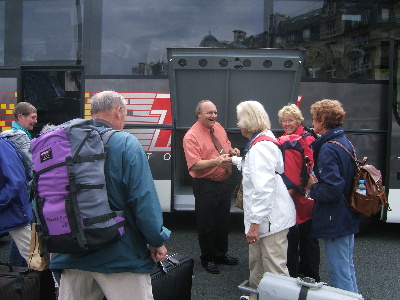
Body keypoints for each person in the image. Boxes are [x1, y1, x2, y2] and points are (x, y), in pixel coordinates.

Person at [50, 91, 171, 300]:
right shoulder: (126, 143)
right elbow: (143, 201)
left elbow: (44, 196)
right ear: (118, 111)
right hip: (120, 255)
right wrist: (156, 240)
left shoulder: (62, 143)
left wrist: (53, 242)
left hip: (70, 252)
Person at [234, 100, 295, 299]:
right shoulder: (262, 141)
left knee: (275, 271)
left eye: (239, 119)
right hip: (266, 221)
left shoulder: (260, 148)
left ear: (247, 121)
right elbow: (256, 170)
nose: (237, 123)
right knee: (257, 266)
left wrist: (254, 225)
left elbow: (263, 190)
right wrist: (234, 161)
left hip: (270, 222)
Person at [307, 99, 359, 293]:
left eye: (314, 118)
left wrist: (313, 187)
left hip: (335, 217)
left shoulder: (328, 148)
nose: (312, 122)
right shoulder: (344, 142)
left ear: (322, 119)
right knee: (346, 268)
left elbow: (332, 189)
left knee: (339, 272)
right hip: (347, 213)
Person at [183, 99, 240, 275]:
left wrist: (233, 151)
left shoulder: (218, 127)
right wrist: (216, 162)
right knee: (206, 224)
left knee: (223, 222)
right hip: (205, 186)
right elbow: (194, 165)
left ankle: (221, 254)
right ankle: (207, 258)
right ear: (199, 114)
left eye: (215, 112)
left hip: (223, 183)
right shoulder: (191, 136)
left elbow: (226, 145)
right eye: (209, 113)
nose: (213, 115)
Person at [277, 104, 320, 281]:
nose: (287, 123)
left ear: (298, 120)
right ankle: (299, 272)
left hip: (302, 196)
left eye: (290, 120)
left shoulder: (305, 139)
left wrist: (296, 187)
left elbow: (311, 168)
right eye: (284, 121)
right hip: (297, 195)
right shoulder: (286, 137)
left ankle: (309, 274)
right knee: (297, 236)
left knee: (306, 238)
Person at [1, 102, 38, 266]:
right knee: (32, 252)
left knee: (24, 243)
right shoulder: (19, 137)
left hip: (15, 203)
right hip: (22, 202)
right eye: (33, 117)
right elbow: (30, 169)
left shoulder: (7, 138)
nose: (35, 121)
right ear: (20, 117)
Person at [0, 137, 33, 266]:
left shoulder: (2, 146)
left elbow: (16, 181)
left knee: (34, 258)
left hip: (14, 212)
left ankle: (50, 285)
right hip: (11, 211)